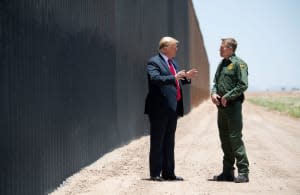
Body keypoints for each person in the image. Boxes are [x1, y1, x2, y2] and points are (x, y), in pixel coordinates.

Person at [144, 36, 198, 181]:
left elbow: (176, 79)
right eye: (175, 46)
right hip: (159, 108)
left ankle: (169, 173)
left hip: (172, 108)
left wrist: (186, 76)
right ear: (165, 48)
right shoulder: (153, 62)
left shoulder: (172, 62)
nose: (177, 49)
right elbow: (155, 79)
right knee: (158, 141)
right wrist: (174, 77)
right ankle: (155, 173)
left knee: (169, 141)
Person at [211, 38, 249, 183]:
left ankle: (244, 172)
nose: (219, 50)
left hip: (233, 107)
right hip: (221, 108)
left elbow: (243, 85)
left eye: (222, 47)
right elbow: (215, 83)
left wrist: (228, 96)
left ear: (230, 48)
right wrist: (213, 93)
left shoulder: (239, 64)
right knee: (224, 139)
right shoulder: (222, 64)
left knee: (235, 139)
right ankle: (227, 172)